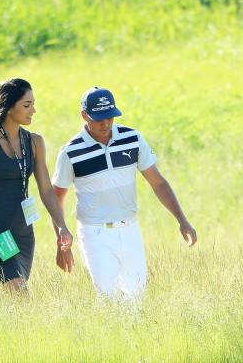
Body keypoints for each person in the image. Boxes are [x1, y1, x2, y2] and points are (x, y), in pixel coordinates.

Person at [51, 87, 197, 300]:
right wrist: (61, 237)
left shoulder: (132, 138)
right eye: (98, 118)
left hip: (130, 230)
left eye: (109, 117)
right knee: (108, 298)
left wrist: (182, 220)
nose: (105, 123)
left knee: (136, 298)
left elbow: (158, 183)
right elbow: (57, 198)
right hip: (94, 233)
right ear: (84, 115)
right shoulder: (71, 151)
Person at [0, 78, 74, 292]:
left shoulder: (35, 142)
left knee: (14, 300)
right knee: (20, 295)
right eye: (27, 105)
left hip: (24, 235)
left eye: (33, 104)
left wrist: (62, 226)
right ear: (9, 107)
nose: (33, 110)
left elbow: (46, 190)